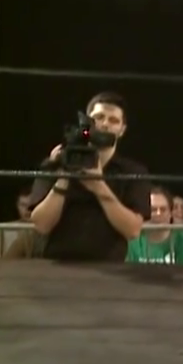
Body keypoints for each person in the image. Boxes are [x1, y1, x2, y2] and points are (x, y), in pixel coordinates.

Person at [27, 92, 150, 262]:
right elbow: (41, 225)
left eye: (113, 120)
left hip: (109, 268)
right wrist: (65, 177)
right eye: (99, 117)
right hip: (56, 265)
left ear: (122, 130)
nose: (105, 124)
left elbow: (133, 230)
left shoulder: (133, 171)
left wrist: (99, 187)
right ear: (86, 122)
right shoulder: (57, 162)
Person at [126, 187, 183, 265]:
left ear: (170, 213)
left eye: (163, 209)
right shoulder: (134, 241)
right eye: (153, 210)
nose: (158, 214)